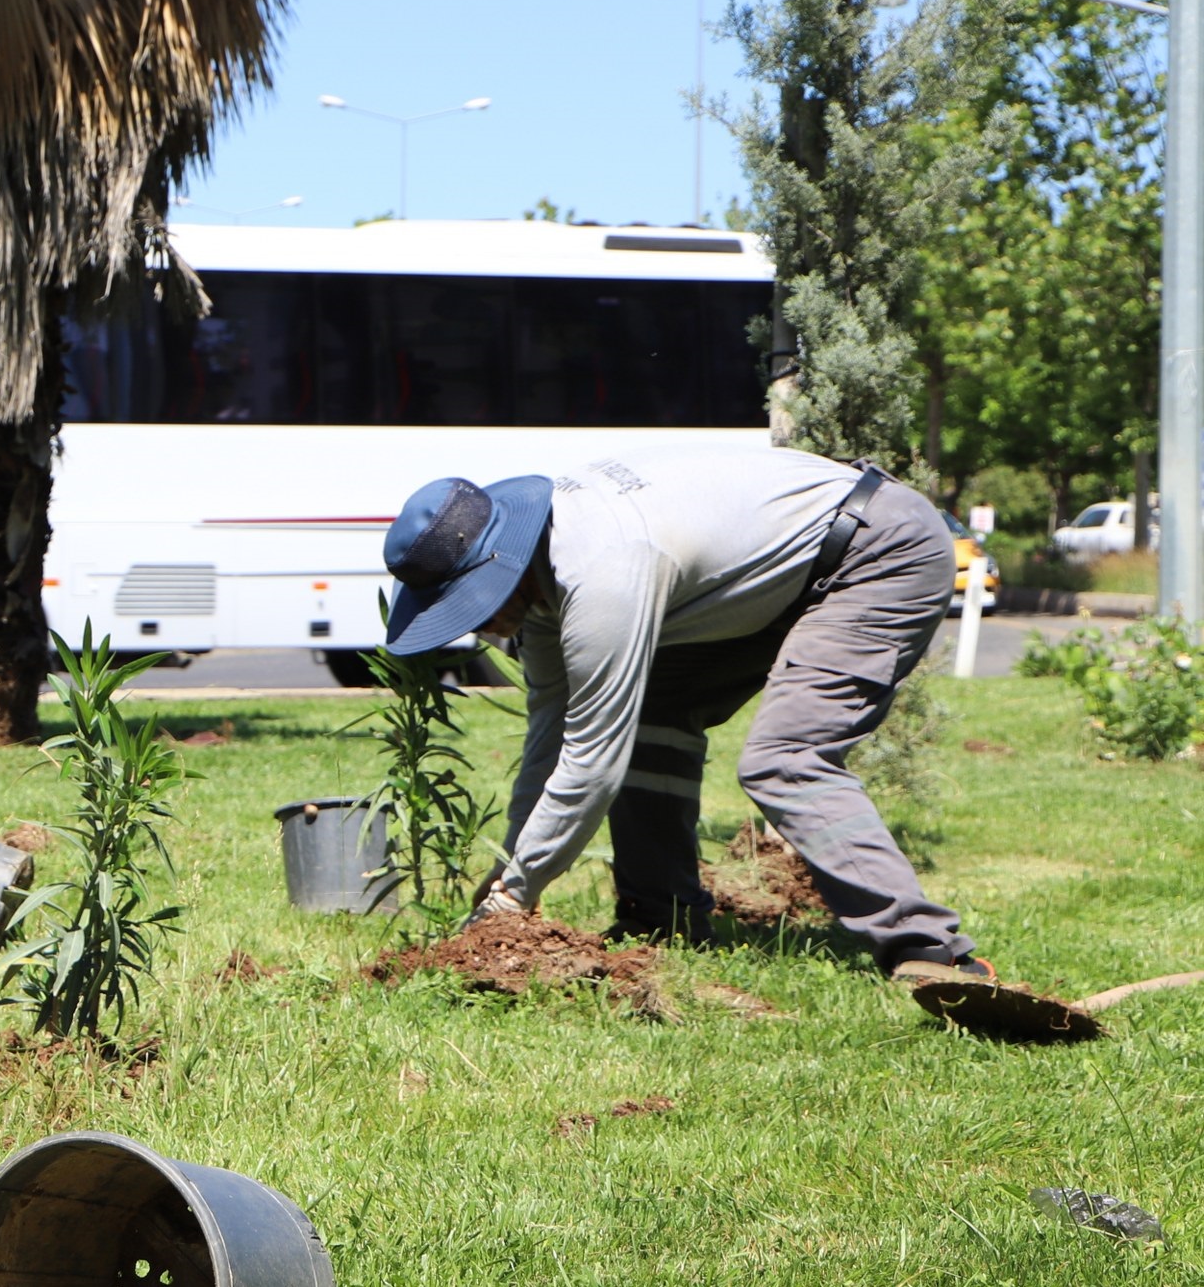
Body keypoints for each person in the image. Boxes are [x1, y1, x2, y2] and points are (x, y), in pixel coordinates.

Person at [376, 443, 1041, 1033]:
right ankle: (660, 915)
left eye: (471, 605)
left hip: (878, 552)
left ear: (500, 565)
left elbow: (591, 763)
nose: (478, 627)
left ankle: (929, 950)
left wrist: (514, 896)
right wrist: (510, 869)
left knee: (786, 759)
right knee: (656, 709)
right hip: (785, 576)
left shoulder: (603, 568)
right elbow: (551, 734)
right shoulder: (544, 575)